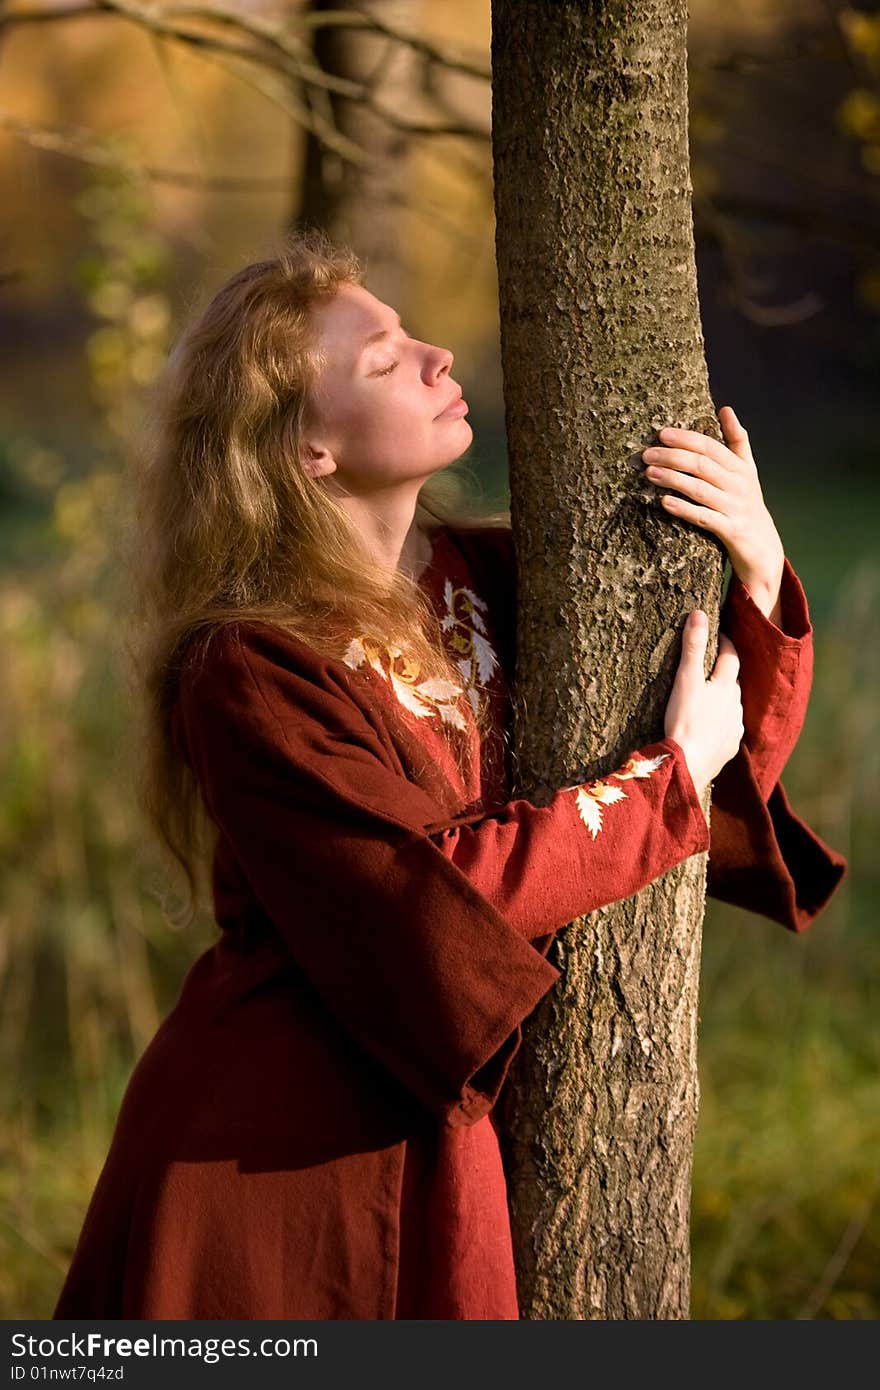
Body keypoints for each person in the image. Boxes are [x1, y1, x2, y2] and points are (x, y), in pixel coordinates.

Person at [52, 229, 847, 1321]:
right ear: (309, 451)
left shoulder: (494, 573)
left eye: (412, 333)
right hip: (282, 1152)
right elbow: (429, 896)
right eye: (382, 360)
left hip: (438, 1111)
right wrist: (665, 783)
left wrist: (753, 560)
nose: (435, 355)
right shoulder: (250, 665)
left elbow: (716, 740)